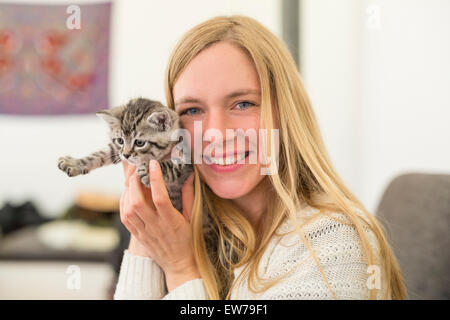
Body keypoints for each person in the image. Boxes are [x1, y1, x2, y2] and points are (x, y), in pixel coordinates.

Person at [113, 15, 406, 300]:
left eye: (243, 104)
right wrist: (147, 229)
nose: (215, 134)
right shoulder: (194, 227)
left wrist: (179, 267)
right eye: (192, 110)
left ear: (284, 113)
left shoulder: (334, 245)